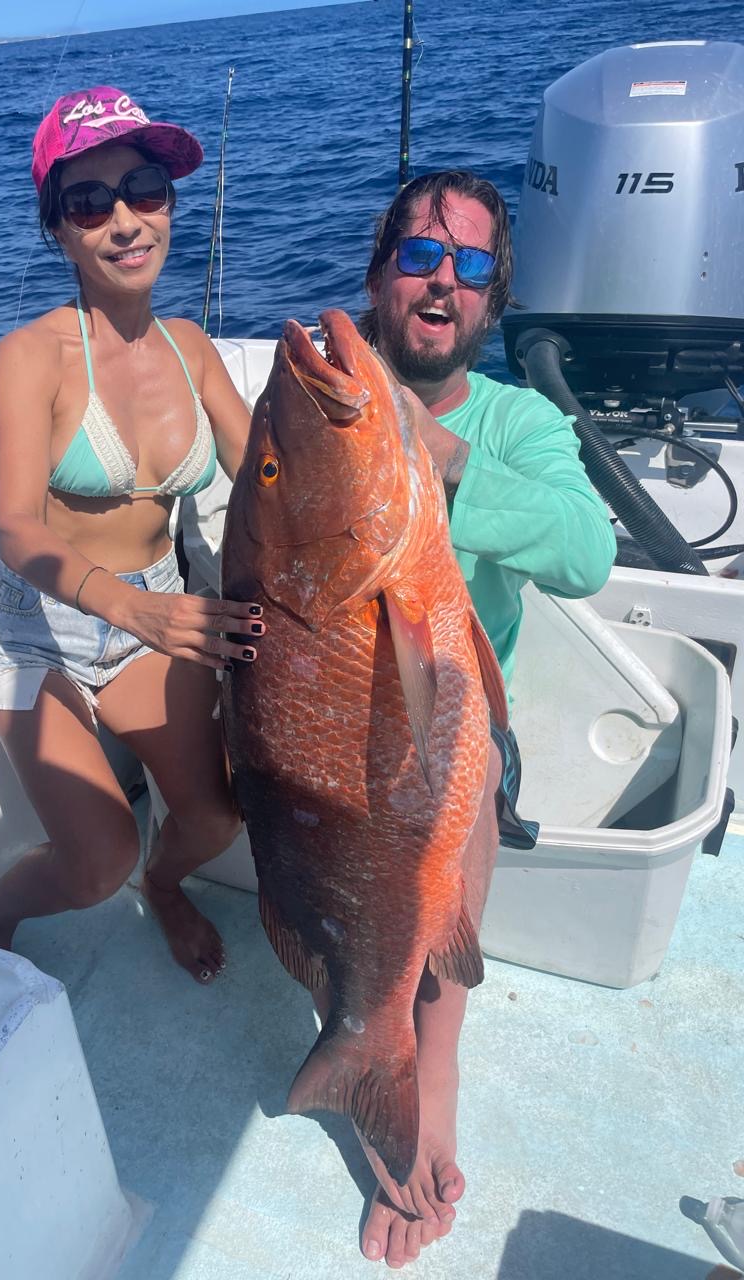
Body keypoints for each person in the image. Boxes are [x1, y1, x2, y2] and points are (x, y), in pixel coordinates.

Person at [347, 169, 617, 1266]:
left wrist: (447, 464)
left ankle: (433, 1066)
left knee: (451, 868)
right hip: (328, 708)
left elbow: (586, 550)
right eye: (419, 255)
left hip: (455, 717)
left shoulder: (521, 420)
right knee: (324, 873)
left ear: (494, 302)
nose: (441, 281)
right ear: (379, 276)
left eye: (470, 266)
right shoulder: (326, 391)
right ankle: (364, 1045)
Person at [0, 85, 265, 986]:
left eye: (145, 189)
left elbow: (266, 473)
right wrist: (124, 605)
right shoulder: (28, 357)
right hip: (40, 631)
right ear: (57, 227)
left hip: (158, 615)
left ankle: (164, 884)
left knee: (216, 821)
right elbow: (14, 525)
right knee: (90, 868)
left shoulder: (192, 348)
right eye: (90, 202)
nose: (125, 220)